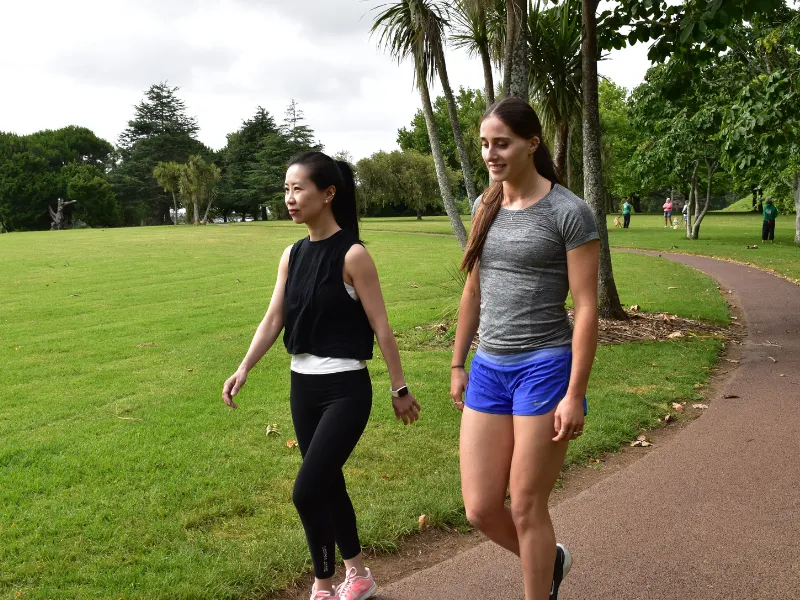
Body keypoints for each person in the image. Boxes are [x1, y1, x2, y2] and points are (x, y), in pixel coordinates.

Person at [222, 151, 421, 600]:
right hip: (302, 386)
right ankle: (359, 574)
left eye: (298, 189)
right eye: (286, 189)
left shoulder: (353, 255)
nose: (289, 198)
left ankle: (322, 584)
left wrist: (399, 388)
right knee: (328, 482)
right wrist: (244, 367)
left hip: (345, 388)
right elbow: (274, 318)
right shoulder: (291, 255)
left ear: (327, 193)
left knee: (306, 490)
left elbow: (381, 327)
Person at [450, 97, 600, 600]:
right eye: (485, 144)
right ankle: (550, 559)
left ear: (532, 143)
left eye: (502, 143)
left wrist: (575, 393)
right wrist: (457, 362)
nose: (491, 154)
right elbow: (472, 291)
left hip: (545, 366)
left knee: (526, 505)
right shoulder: (484, 204)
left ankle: (539, 588)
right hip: (490, 366)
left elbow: (585, 308)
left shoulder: (570, 212)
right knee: (480, 508)